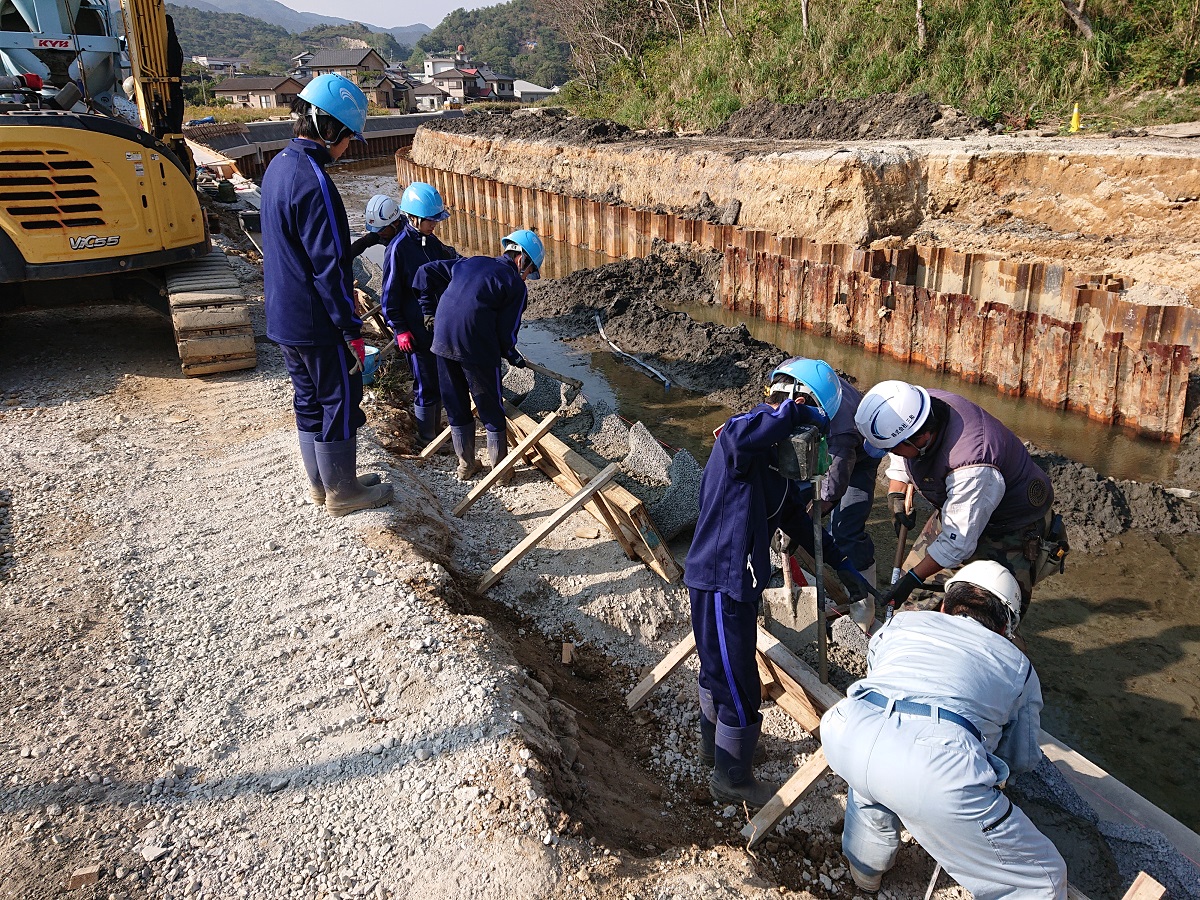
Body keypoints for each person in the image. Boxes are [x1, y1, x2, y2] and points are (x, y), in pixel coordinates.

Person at [683, 363, 873, 807]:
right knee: (736, 681)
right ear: (794, 408)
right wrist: (792, 412)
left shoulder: (775, 466)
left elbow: (797, 523)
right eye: (810, 431)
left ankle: (716, 749)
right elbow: (737, 431)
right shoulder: (742, 444)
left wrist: (844, 567)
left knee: (724, 668)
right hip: (719, 582)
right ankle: (731, 778)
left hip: (741, 584)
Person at [819, 561, 1067, 898]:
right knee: (1045, 878)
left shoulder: (900, 623)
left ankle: (865, 870)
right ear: (1007, 626)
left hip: (846, 729)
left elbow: (879, 676)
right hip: (936, 769)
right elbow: (1020, 755)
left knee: (871, 779)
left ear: (946, 604)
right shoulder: (1018, 665)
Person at [261, 73, 393, 517]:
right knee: (338, 398)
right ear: (329, 127)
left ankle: (322, 485)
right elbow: (329, 266)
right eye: (347, 138)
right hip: (317, 320)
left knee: (308, 398)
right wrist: (349, 327)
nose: (348, 147)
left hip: (284, 316)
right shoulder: (315, 182)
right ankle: (343, 492)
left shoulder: (279, 167)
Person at [855, 380, 1064, 620]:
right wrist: (897, 492)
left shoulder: (973, 467)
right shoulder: (915, 407)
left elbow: (958, 543)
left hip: (1008, 529)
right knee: (914, 605)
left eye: (893, 449)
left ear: (920, 438)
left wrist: (912, 579)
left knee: (986, 616)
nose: (892, 454)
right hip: (957, 507)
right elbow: (900, 452)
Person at [414, 229, 544, 480]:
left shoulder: (469, 262)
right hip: (476, 346)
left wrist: (428, 311)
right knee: (490, 405)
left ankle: (466, 465)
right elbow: (507, 331)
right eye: (529, 271)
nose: (527, 277)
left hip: (442, 339)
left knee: (455, 403)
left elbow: (425, 272)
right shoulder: (514, 284)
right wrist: (511, 354)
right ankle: (500, 471)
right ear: (522, 260)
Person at [786, 359, 882, 628]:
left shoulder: (841, 431)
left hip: (860, 454)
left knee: (845, 529)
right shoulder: (792, 378)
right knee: (789, 492)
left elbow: (830, 493)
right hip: (817, 442)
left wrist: (799, 522)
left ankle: (863, 603)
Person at [378, 183, 456, 447]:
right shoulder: (398, 249)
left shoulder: (432, 244)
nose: (434, 225)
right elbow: (389, 296)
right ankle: (427, 437)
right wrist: (399, 329)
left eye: (436, 220)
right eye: (430, 221)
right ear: (413, 217)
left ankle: (435, 430)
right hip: (414, 329)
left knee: (439, 381)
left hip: (435, 325)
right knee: (425, 383)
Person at [349, 194, 403, 258]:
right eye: (377, 229)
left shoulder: (409, 237)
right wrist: (347, 258)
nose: (379, 232)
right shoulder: (381, 232)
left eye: (382, 229)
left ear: (396, 223)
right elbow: (363, 242)